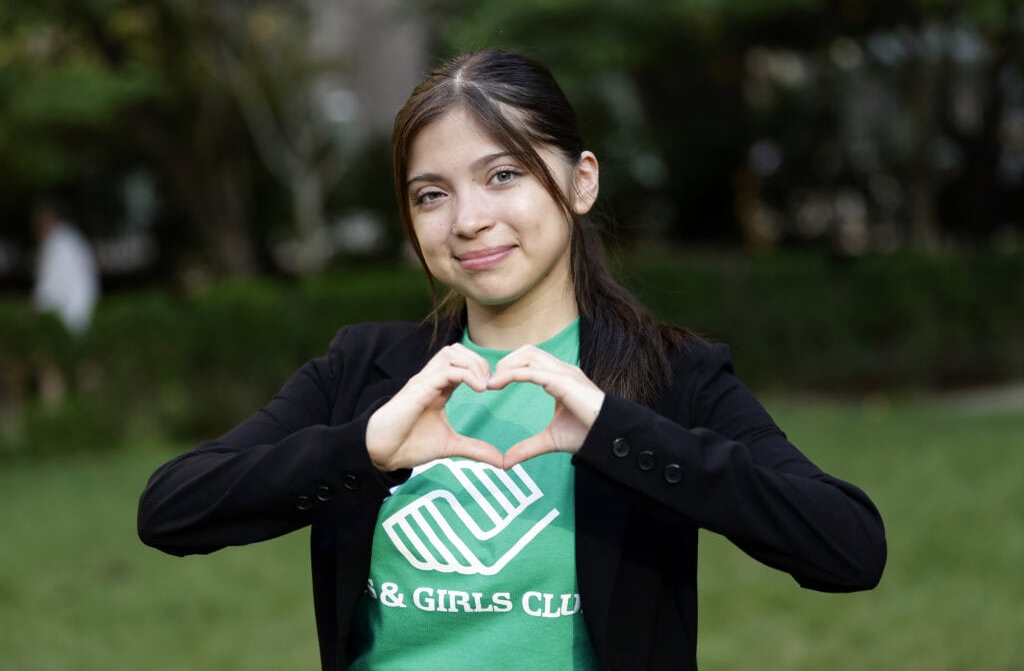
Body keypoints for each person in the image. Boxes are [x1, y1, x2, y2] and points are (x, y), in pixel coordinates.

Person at [138, 50, 886, 670]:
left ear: (581, 181)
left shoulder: (670, 374)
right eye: (431, 195)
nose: (468, 220)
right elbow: (171, 509)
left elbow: (848, 547)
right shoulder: (365, 369)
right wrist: (363, 449)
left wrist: (618, 432)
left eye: (503, 175)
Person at [31, 199, 100, 338]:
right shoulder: (69, 237)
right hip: (82, 305)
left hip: (70, 311)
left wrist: (35, 307)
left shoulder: (57, 244)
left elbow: (50, 283)